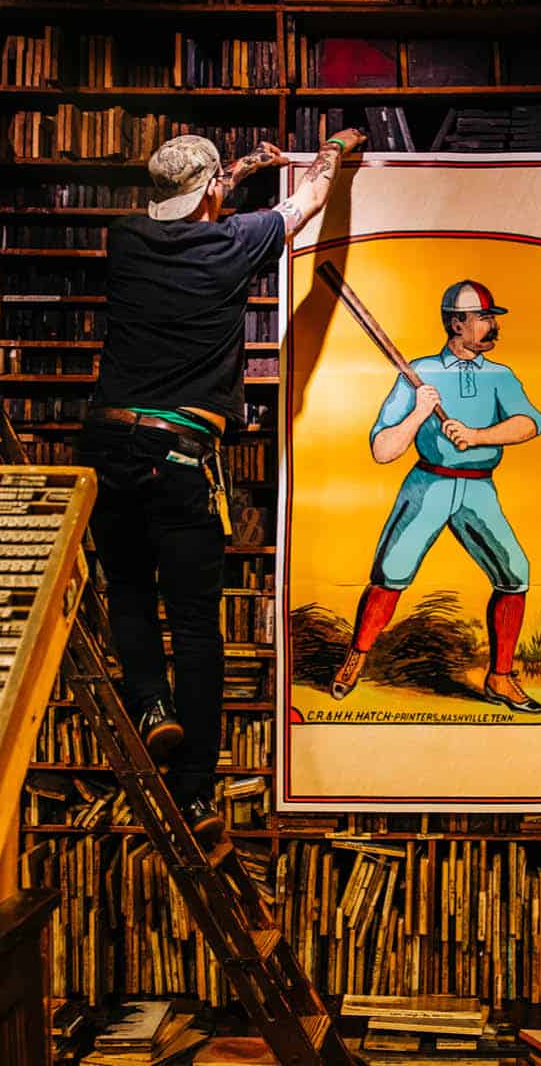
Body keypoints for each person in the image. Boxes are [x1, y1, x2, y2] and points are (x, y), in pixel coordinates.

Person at [79, 127, 365, 840]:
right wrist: (333, 149)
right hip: (182, 452)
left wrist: (233, 171)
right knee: (199, 627)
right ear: (212, 192)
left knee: (130, 591)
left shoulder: (126, 238)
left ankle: (150, 706)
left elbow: (198, 198)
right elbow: (310, 200)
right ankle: (198, 792)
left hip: (110, 442)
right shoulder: (236, 243)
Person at [328, 280, 541, 714]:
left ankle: (500, 677)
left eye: (490, 318)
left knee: (515, 573)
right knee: (390, 573)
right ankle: (356, 657)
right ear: (456, 323)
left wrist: (477, 435)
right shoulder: (419, 372)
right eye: (482, 318)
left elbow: (530, 423)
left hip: (479, 486)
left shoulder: (500, 376)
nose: (490, 326)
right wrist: (419, 412)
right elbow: (382, 449)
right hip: (428, 484)